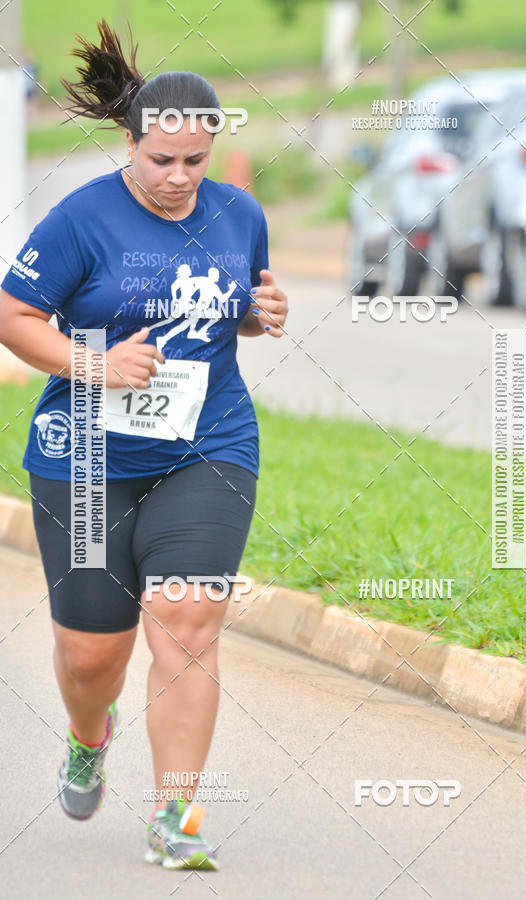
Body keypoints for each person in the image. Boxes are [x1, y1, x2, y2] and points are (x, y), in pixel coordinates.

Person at [0, 19, 288, 871]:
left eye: (194, 163)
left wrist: (258, 315)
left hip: (210, 446)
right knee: (93, 654)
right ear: (129, 143)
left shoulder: (239, 213)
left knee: (189, 621)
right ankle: (90, 736)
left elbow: (232, 302)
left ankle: (176, 816)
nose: (178, 179)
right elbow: (15, 317)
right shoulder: (81, 219)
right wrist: (94, 360)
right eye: (160, 161)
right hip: (85, 458)